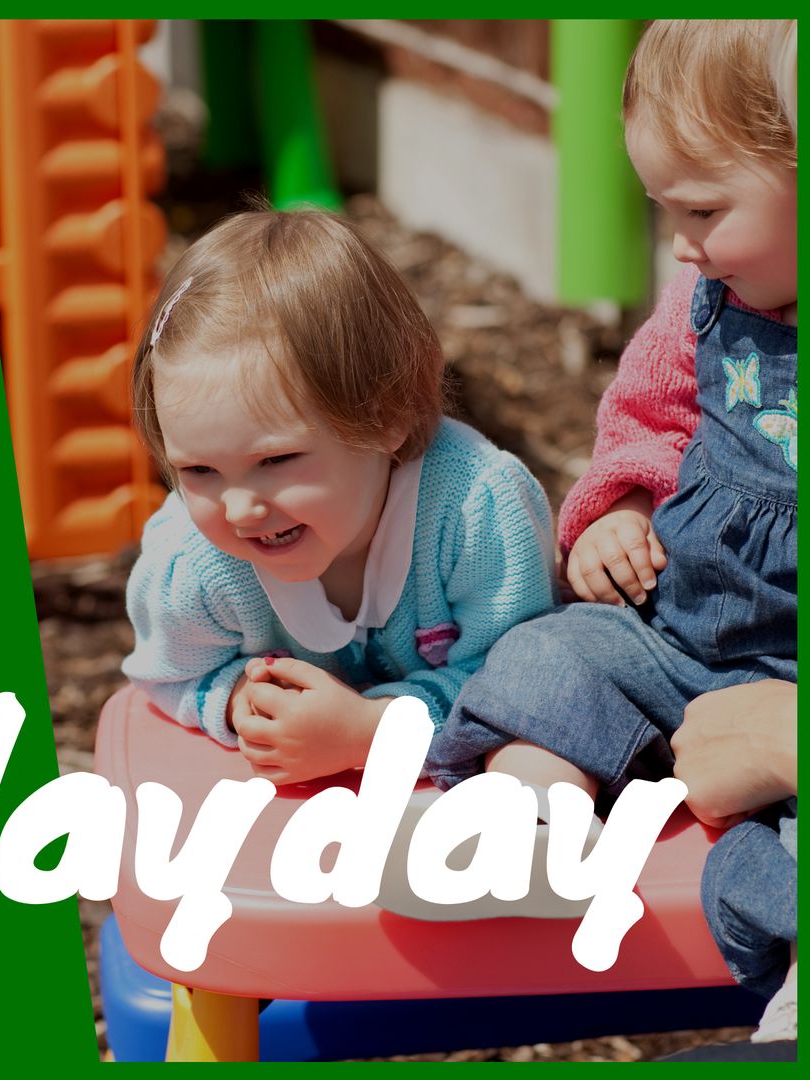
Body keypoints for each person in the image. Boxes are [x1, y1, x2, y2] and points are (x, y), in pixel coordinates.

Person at [423, 19, 796, 1038]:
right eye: (666, 210)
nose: (681, 241)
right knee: (557, 656)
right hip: (678, 640)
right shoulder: (704, 299)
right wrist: (622, 509)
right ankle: (524, 822)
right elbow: (646, 416)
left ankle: (784, 977)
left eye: (707, 208)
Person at [121, 208, 557, 787]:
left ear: (384, 416)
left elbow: (528, 684)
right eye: (198, 470)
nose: (239, 509)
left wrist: (371, 730)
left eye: (275, 461)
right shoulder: (194, 562)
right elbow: (170, 670)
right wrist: (236, 703)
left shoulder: (476, 513)